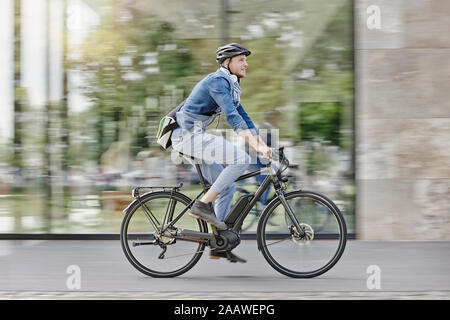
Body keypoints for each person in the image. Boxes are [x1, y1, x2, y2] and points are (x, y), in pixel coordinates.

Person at [170, 43, 272, 263]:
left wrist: (262, 144)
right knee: (241, 159)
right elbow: (232, 117)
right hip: (188, 136)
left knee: (227, 186)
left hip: (193, 136)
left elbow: (244, 117)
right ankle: (202, 205)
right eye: (241, 60)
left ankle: (219, 243)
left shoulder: (231, 85)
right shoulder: (217, 81)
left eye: (246, 59)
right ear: (227, 62)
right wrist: (256, 148)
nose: (246, 63)